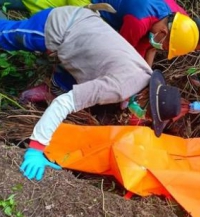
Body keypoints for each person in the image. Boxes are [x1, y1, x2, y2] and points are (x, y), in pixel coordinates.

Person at [0, 6, 182, 181]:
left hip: (85, 26)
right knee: (6, 36)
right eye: (147, 112)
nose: (142, 115)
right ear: (145, 98)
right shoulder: (119, 87)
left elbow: (125, 86)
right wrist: (36, 149)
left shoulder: (145, 76)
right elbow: (63, 103)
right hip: (62, 27)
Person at [0, 0, 200, 66]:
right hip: (89, 8)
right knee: (35, 21)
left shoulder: (177, 21)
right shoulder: (137, 22)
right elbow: (120, 53)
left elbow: (148, 46)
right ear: (166, 32)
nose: (161, 47)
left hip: (110, 16)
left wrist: (146, 74)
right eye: (165, 44)